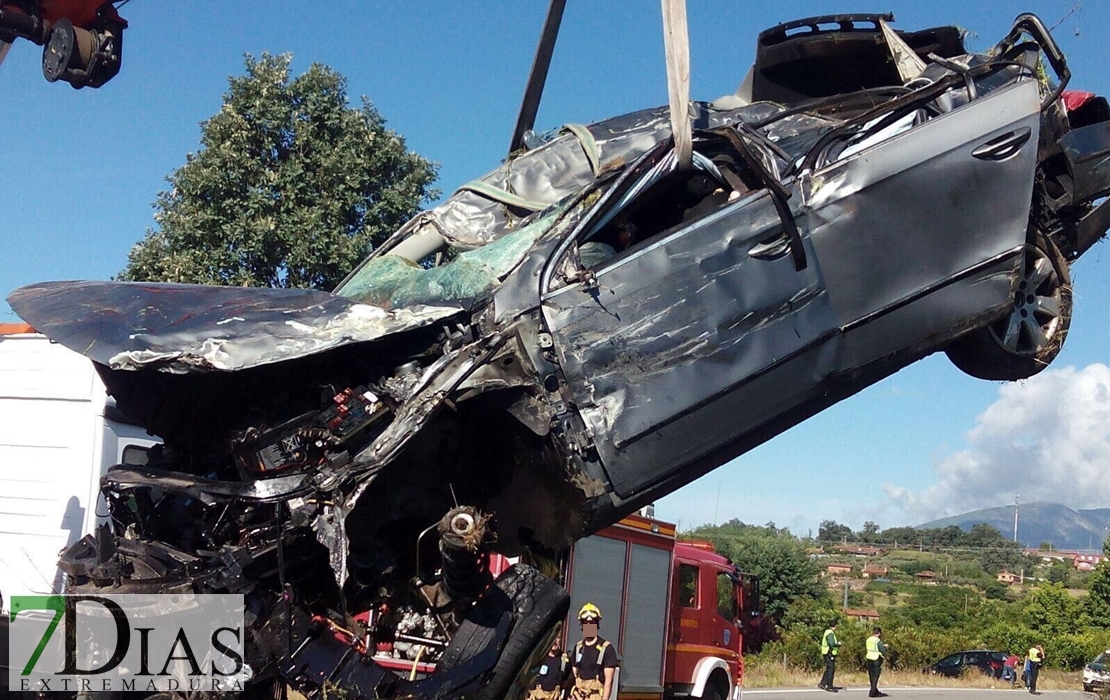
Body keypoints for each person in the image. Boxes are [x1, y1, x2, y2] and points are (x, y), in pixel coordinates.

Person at [570, 603, 618, 700]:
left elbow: (608, 680)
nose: (588, 626)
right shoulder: (578, 647)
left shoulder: (606, 648)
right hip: (578, 696)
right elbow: (574, 675)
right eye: (585, 623)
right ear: (582, 626)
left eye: (592, 623)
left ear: (597, 624)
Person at [528, 635, 569, 700]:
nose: (554, 642)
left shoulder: (564, 661)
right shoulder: (539, 658)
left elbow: (566, 682)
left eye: (557, 638)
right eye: (552, 638)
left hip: (554, 697)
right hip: (537, 696)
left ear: (561, 639)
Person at [818, 619, 841, 692]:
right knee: (831, 669)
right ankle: (829, 686)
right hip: (829, 652)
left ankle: (823, 683)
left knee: (829, 668)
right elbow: (832, 643)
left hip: (826, 652)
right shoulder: (830, 633)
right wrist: (838, 644)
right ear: (836, 625)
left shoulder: (827, 632)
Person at [865, 627, 888, 698]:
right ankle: (872, 692)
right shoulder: (878, 641)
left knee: (871, 675)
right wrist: (885, 648)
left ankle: (875, 690)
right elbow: (882, 650)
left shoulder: (868, 639)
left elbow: (872, 647)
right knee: (876, 675)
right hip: (876, 659)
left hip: (869, 658)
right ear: (879, 633)